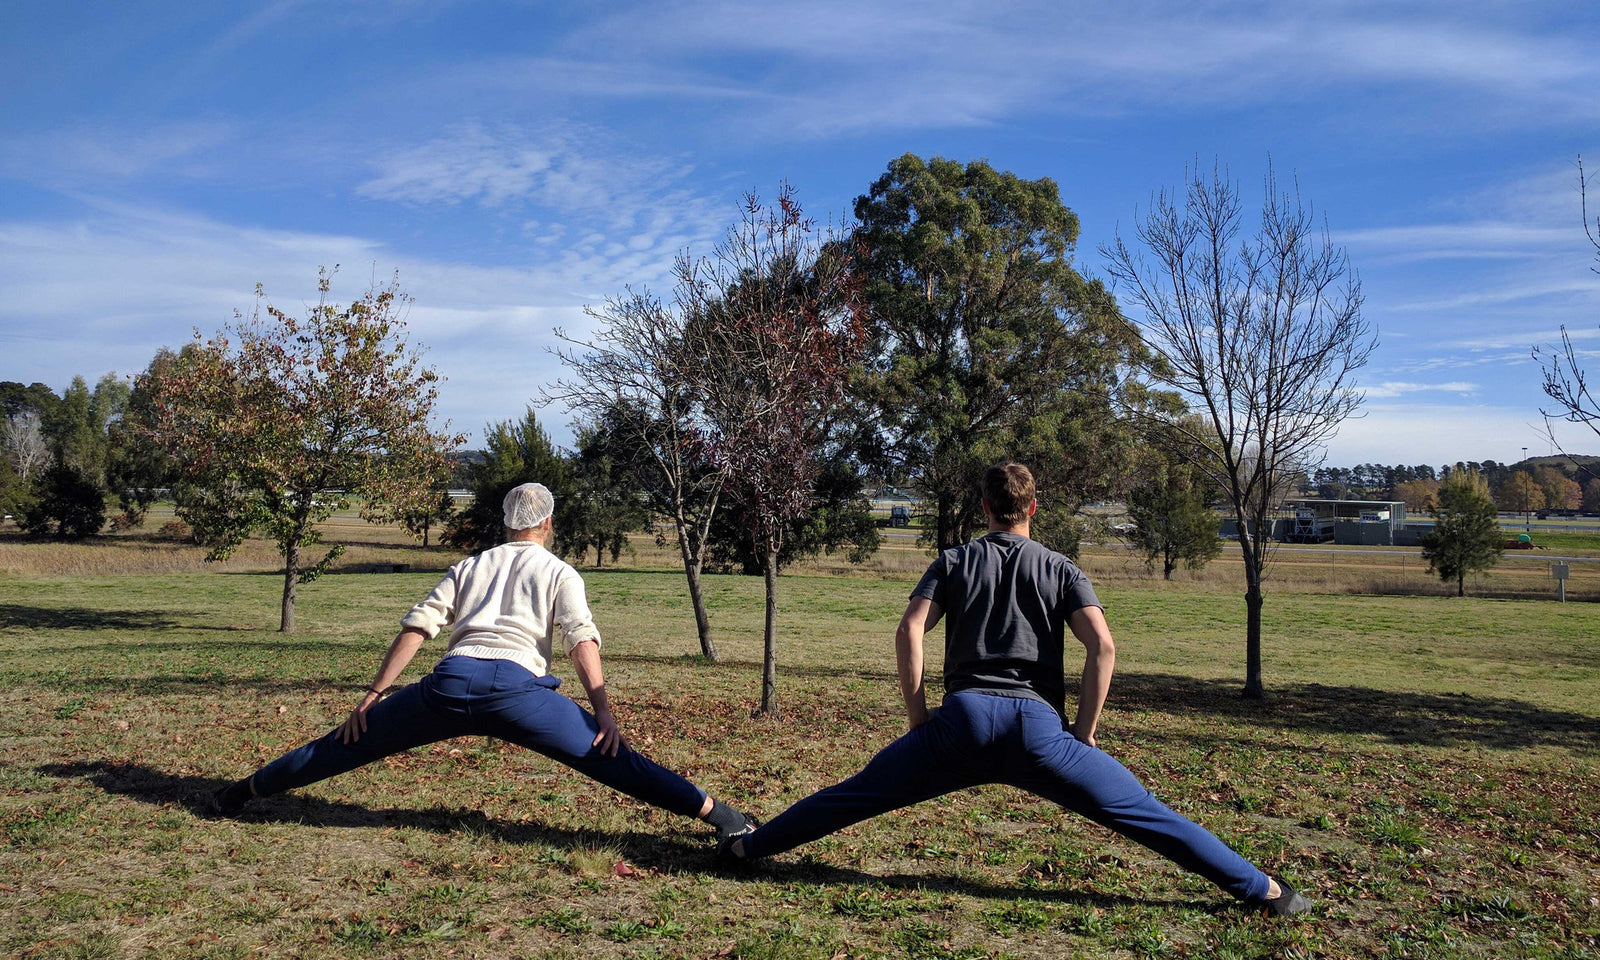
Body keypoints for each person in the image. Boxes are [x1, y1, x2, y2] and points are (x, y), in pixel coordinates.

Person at [720, 463, 1310, 915]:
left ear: (984, 507)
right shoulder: (1061, 569)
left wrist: (918, 718)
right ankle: (1265, 891)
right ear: (1032, 507)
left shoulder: (953, 560)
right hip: (1039, 731)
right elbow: (1102, 647)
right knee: (1144, 814)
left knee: (854, 796)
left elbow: (908, 630)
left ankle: (748, 848)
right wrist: (1084, 733)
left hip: (962, 722)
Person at [210, 482, 755, 848]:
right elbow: (580, 638)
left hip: (448, 683)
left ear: (507, 522)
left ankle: (241, 792)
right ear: (547, 523)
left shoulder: (470, 564)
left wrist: (373, 696)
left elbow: (419, 625)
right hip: (517, 690)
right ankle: (722, 817)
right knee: (612, 759)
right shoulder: (560, 571)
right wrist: (604, 712)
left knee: (341, 746)